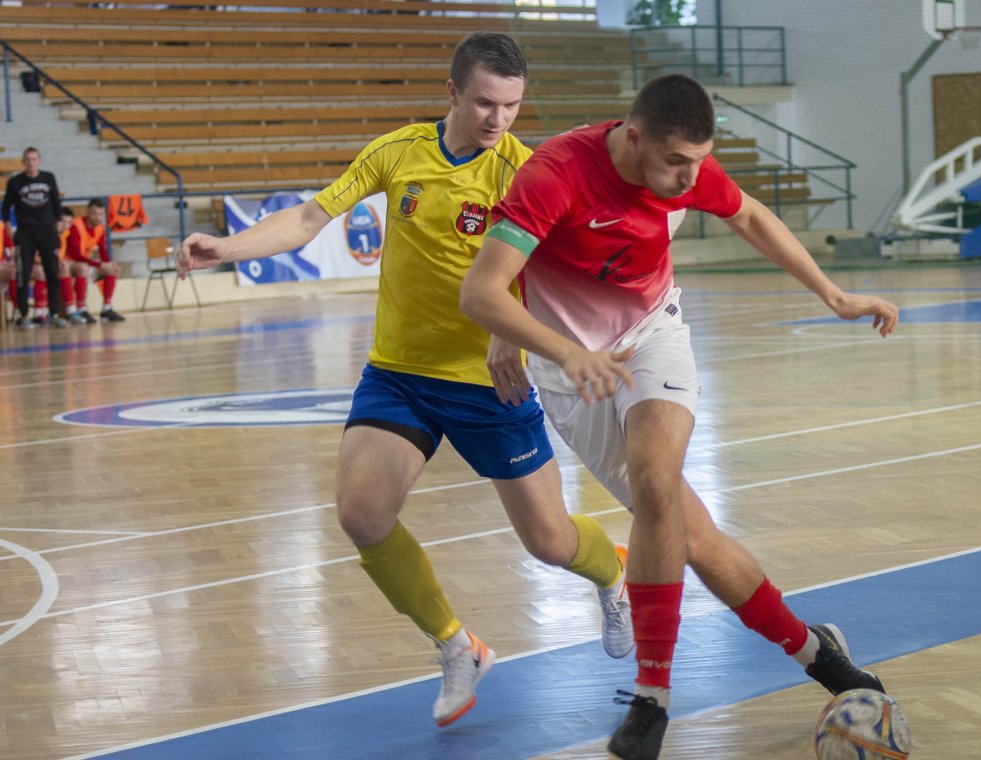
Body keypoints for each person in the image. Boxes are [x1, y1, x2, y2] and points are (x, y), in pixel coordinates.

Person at [174, 31, 633, 729]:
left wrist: (510, 333)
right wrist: (226, 248)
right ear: (452, 93)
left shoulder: (524, 170)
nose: (498, 119)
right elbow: (309, 217)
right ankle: (457, 646)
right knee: (361, 515)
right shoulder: (398, 152)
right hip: (399, 375)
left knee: (549, 543)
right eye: (484, 102)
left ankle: (614, 571)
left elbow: (552, 268)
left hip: (489, 385)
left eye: (511, 105)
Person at [460, 73, 897, 760]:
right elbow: (479, 291)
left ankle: (651, 698)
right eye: (675, 163)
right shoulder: (557, 172)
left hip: (651, 335)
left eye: (699, 162)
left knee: (655, 481)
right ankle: (817, 652)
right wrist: (555, 348)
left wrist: (833, 294)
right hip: (572, 370)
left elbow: (750, 216)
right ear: (634, 139)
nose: (690, 179)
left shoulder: (687, 169)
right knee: (691, 535)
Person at [2, 147, 68, 327]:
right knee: (22, 274)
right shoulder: (15, 182)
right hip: (25, 231)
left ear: (39, 160)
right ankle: (23, 315)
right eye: (28, 160)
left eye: (34, 159)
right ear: (23, 162)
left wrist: (59, 221)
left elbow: (56, 201)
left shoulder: (49, 178)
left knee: (52, 272)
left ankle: (54, 313)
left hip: (47, 230)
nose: (31, 163)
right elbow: (6, 207)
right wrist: (8, 227)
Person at [65, 198, 127, 322]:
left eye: (100, 214)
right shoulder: (76, 225)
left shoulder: (100, 228)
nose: (97, 217)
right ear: (87, 211)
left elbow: (103, 250)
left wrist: (109, 263)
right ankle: (81, 309)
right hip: (69, 262)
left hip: (84, 261)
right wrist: (99, 264)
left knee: (111, 269)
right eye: (94, 213)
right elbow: (76, 255)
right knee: (83, 267)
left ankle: (106, 309)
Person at [29, 206, 81, 325]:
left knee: (64, 269)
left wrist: (58, 261)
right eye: (62, 221)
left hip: (48, 265)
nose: (65, 225)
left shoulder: (64, 234)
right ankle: (39, 313)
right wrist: (53, 261)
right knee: (42, 271)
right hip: (31, 265)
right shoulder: (44, 233)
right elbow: (33, 257)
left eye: (68, 222)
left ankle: (71, 310)